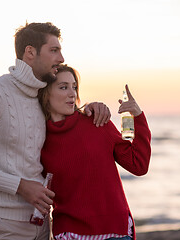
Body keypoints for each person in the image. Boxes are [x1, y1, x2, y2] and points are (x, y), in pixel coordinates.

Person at [0, 22, 111, 240]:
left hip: (41, 221)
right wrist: (20, 186)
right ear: (30, 52)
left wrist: (92, 108)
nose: (61, 58)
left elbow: (67, 123)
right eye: (54, 50)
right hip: (1, 223)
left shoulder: (42, 96)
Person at [38, 65, 151, 240]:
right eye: (63, 87)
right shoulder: (37, 138)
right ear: (45, 94)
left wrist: (137, 115)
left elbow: (139, 165)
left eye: (74, 87)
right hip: (69, 235)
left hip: (114, 232)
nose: (72, 93)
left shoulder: (97, 122)